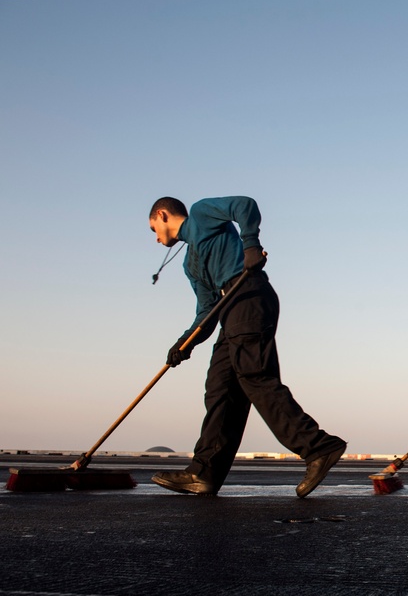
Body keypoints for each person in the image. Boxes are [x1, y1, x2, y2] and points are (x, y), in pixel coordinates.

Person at [147, 196, 347, 497]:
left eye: (153, 228)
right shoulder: (191, 264)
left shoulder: (202, 213)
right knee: (220, 388)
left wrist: (250, 245)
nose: (156, 237)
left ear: (163, 215)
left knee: (255, 377)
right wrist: (185, 342)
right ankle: (204, 474)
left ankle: (319, 447)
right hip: (229, 312)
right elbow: (206, 312)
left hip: (250, 296)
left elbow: (245, 205)